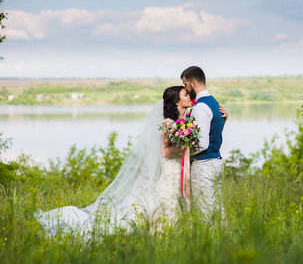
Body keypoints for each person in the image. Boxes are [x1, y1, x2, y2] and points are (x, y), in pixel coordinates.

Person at [35, 86, 194, 238]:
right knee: (166, 198)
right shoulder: (168, 123)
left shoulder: (182, 120)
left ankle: (173, 230)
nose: (189, 96)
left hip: (177, 167)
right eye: (185, 95)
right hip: (171, 167)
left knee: (171, 198)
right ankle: (162, 231)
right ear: (176, 101)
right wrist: (185, 146)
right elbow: (164, 152)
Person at [181, 66, 226, 220]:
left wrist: (185, 154)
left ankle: (209, 242)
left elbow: (202, 143)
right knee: (217, 210)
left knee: (204, 212)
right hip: (216, 163)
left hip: (204, 165)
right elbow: (214, 131)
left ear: (194, 83)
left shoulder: (200, 107)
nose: (185, 89)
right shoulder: (214, 102)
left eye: (185, 84)